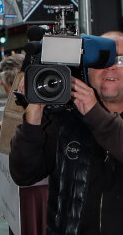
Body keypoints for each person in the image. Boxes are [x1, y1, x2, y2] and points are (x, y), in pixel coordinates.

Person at [9, 31, 123, 234]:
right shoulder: (65, 119)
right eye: (102, 59)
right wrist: (34, 116)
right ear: (87, 68)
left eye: (120, 60)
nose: (111, 66)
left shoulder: (90, 114)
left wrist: (94, 114)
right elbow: (24, 174)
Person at [0, 54, 48, 235]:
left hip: (32, 193)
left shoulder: (31, 105)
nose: (1, 84)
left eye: (3, 80)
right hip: (30, 190)